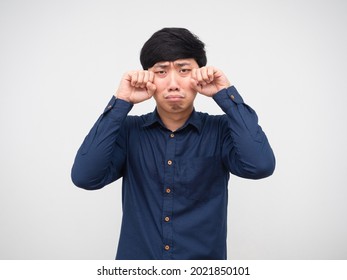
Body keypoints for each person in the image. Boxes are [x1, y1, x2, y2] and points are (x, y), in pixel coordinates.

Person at [71, 27, 275, 260]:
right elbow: (85, 177)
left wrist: (224, 93)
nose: (173, 83)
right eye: (161, 71)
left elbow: (260, 166)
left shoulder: (221, 130)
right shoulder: (128, 131)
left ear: (201, 73)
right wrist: (121, 101)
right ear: (147, 77)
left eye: (184, 70)